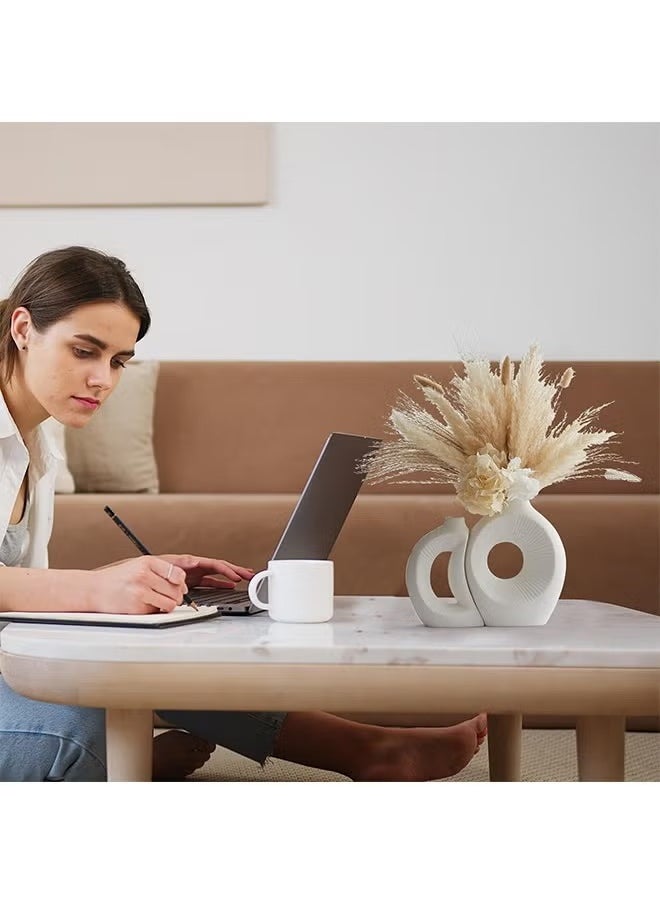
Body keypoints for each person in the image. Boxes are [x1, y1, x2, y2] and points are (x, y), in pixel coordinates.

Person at [0, 246, 487, 781]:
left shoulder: (37, 439)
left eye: (118, 361)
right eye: (84, 351)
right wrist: (94, 593)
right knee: (77, 731)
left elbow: (21, 595)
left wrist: (128, 583)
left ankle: (369, 750)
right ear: (24, 328)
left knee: (161, 644)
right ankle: (127, 765)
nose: (103, 380)